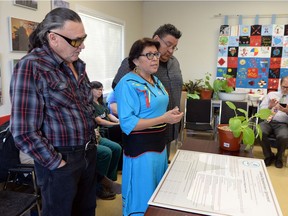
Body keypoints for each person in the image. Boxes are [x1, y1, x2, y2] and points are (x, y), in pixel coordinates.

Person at [9, 8, 98, 216]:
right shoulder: (31, 66)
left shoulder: (75, 64)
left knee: (86, 211)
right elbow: (23, 131)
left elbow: (83, 107)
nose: (82, 46)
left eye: (83, 39)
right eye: (76, 40)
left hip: (87, 153)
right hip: (60, 158)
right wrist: (57, 163)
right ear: (53, 38)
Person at [114, 37, 183, 215]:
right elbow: (128, 124)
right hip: (141, 151)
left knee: (156, 192)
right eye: (149, 55)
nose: (155, 58)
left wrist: (170, 114)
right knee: (141, 194)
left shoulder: (155, 80)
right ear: (136, 60)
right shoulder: (128, 84)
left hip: (159, 147)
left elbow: (156, 108)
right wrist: (163, 118)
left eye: (156, 54)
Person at [112, 24, 183, 160]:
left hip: (167, 129)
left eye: (174, 47)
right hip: (143, 134)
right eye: (168, 44)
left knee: (161, 171)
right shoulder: (133, 64)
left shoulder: (174, 63)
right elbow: (119, 90)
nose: (170, 50)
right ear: (157, 39)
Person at [258, 76, 288, 168]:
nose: (285, 89)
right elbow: (260, 111)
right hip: (268, 121)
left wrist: (286, 111)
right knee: (259, 131)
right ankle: (269, 156)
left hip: (282, 124)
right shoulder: (271, 95)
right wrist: (269, 106)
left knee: (284, 136)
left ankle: (279, 158)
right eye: (284, 87)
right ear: (280, 85)